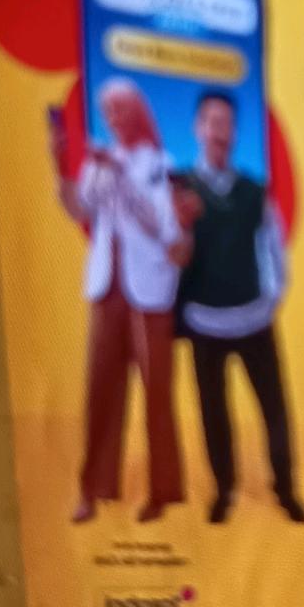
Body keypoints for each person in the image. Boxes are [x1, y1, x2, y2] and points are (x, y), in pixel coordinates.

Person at [173, 91, 304, 524]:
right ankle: (223, 492)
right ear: (198, 129)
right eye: (212, 122)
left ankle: (285, 490)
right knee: (214, 414)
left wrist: (271, 299)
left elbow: (273, 248)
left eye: (227, 124)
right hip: (204, 320)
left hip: (253, 318)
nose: (220, 132)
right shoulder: (178, 188)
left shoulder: (254, 191)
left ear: (234, 133)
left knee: (274, 409)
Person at [56, 79, 185, 523]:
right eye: (108, 111)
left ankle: (162, 491)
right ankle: (92, 490)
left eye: (120, 110)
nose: (113, 119)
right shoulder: (101, 160)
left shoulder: (161, 164)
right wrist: (62, 166)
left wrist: (123, 178)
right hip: (107, 287)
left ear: (138, 113)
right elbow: (81, 210)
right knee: (100, 390)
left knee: (156, 393)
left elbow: (161, 226)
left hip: (149, 292)